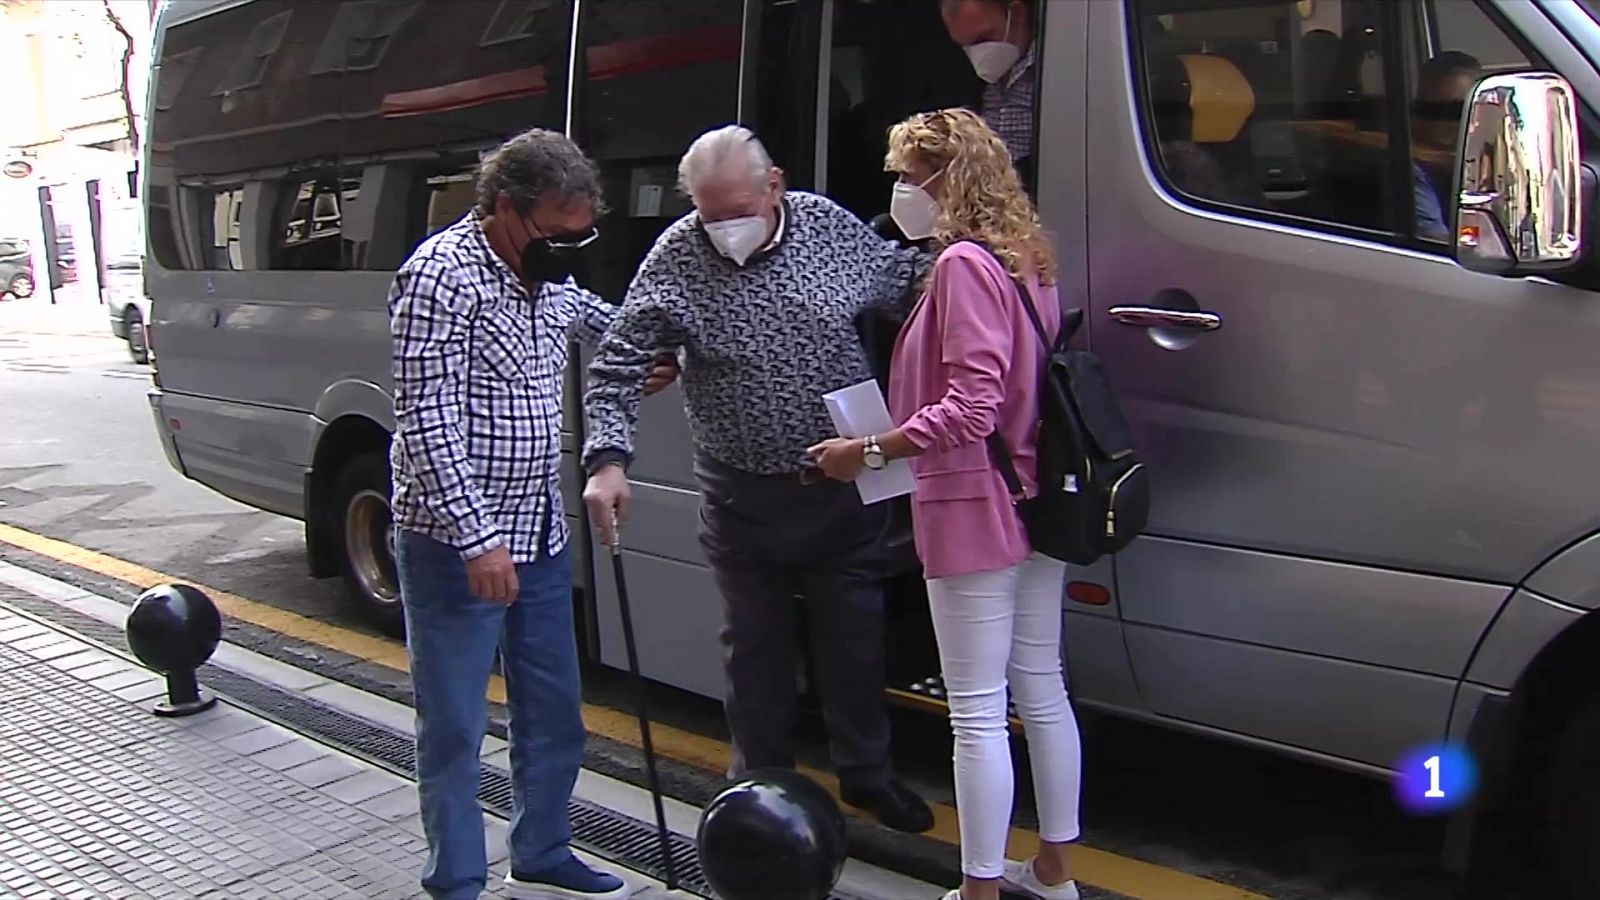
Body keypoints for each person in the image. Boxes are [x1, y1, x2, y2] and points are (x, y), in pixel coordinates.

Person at [581, 123, 936, 834]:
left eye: (737, 210)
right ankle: (761, 793)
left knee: (853, 640)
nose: (723, 229)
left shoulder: (829, 229)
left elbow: (910, 286)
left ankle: (867, 777)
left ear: (774, 187)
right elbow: (618, 363)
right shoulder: (679, 255)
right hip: (741, 493)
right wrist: (608, 460)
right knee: (755, 649)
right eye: (710, 215)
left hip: (842, 483)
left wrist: (986, 273)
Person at [388, 127, 674, 900]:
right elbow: (426, 419)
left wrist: (644, 355)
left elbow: (598, 319)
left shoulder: (546, 279)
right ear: (507, 209)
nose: (567, 249)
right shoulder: (439, 278)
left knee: (555, 713)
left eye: (580, 235)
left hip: (541, 534)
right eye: (556, 232)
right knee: (453, 724)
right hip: (455, 543)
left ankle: (542, 849)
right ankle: (455, 880)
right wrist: (479, 541)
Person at [809, 108, 1083, 900]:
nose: (898, 191)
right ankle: (1054, 873)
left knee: (975, 712)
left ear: (943, 179)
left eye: (906, 176)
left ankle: (979, 890)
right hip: (1037, 495)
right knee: (1043, 687)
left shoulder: (964, 264)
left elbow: (971, 407)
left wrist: (865, 451)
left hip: (972, 502)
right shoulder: (1029, 257)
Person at [940, 0, 1037, 191]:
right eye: (965, 46)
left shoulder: (1058, 69)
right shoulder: (970, 82)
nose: (977, 56)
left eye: (983, 40)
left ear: (1016, 14)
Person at [1412, 51, 1482, 241]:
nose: (1446, 120)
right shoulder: (1413, 168)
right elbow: (1436, 242)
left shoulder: (1487, 157)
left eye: (1458, 110)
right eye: (1435, 110)